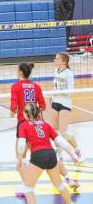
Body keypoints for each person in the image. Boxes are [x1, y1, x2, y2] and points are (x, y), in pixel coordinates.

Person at [17, 103, 78, 204]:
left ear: (27, 115)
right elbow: (60, 141)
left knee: (28, 189)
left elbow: (21, 144)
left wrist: (19, 160)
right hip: (51, 155)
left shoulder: (23, 125)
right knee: (60, 185)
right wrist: (72, 154)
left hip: (38, 156)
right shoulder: (45, 125)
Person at [10, 62, 46, 196]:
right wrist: (34, 113)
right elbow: (43, 106)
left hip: (23, 124)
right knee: (42, 153)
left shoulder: (16, 86)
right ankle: (65, 177)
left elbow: (13, 105)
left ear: (20, 73)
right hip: (37, 124)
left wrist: (12, 111)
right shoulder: (36, 87)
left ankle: (27, 186)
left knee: (20, 157)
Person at [50, 52, 81, 188]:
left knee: (63, 132)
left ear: (63, 61)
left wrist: (58, 92)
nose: (55, 60)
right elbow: (55, 86)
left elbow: (70, 92)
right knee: (54, 130)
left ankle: (77, 149)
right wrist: (52, 95)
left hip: (65, 103)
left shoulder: (69, 73)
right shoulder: (55, 70)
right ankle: (59, 153)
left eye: (57, 59)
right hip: (55, 101)